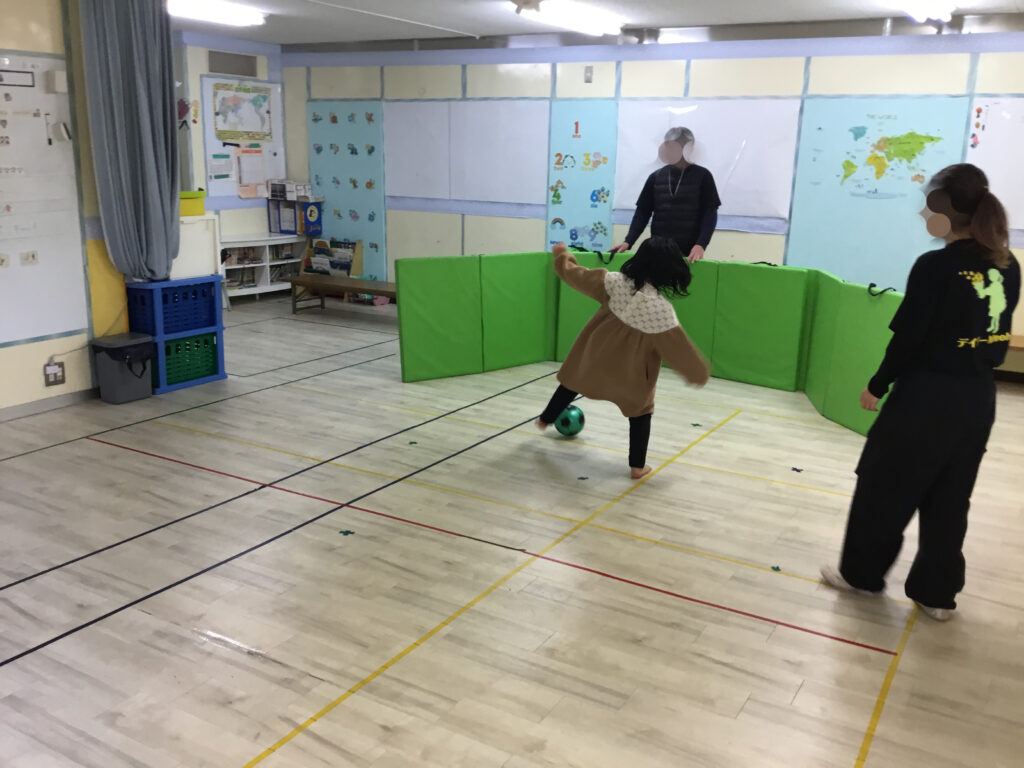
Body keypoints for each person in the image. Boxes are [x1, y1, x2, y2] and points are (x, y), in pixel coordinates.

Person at [821, 163, 1021, 621]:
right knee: (950, 498)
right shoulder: (1008, 265)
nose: (923, 214)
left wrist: (878, 383)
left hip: (926, 397)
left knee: (883, 487)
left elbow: (909, 338)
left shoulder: (935, 267)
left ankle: (861, 575)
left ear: (947, 211)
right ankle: (936, 594)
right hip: (977, 399)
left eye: (929, 206)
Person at [536, 238, 711, 479]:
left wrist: (562, 256)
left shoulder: (614, 282)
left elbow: (577, 276)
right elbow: (680, 350)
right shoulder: (662, 312)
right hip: (630, 374)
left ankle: (545, 419)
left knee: (571, 381)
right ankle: (637, 467)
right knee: (641, 412)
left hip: (595, 357)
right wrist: (697, 373)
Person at [610, 127, 721, 264]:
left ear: (690, 148)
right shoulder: (656, 177)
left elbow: (710, 213)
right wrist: (628, 241)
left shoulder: (703, 176)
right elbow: (643, 212)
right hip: (658, 248)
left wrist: (701, 244)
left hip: (689, 251)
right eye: (669, 146)